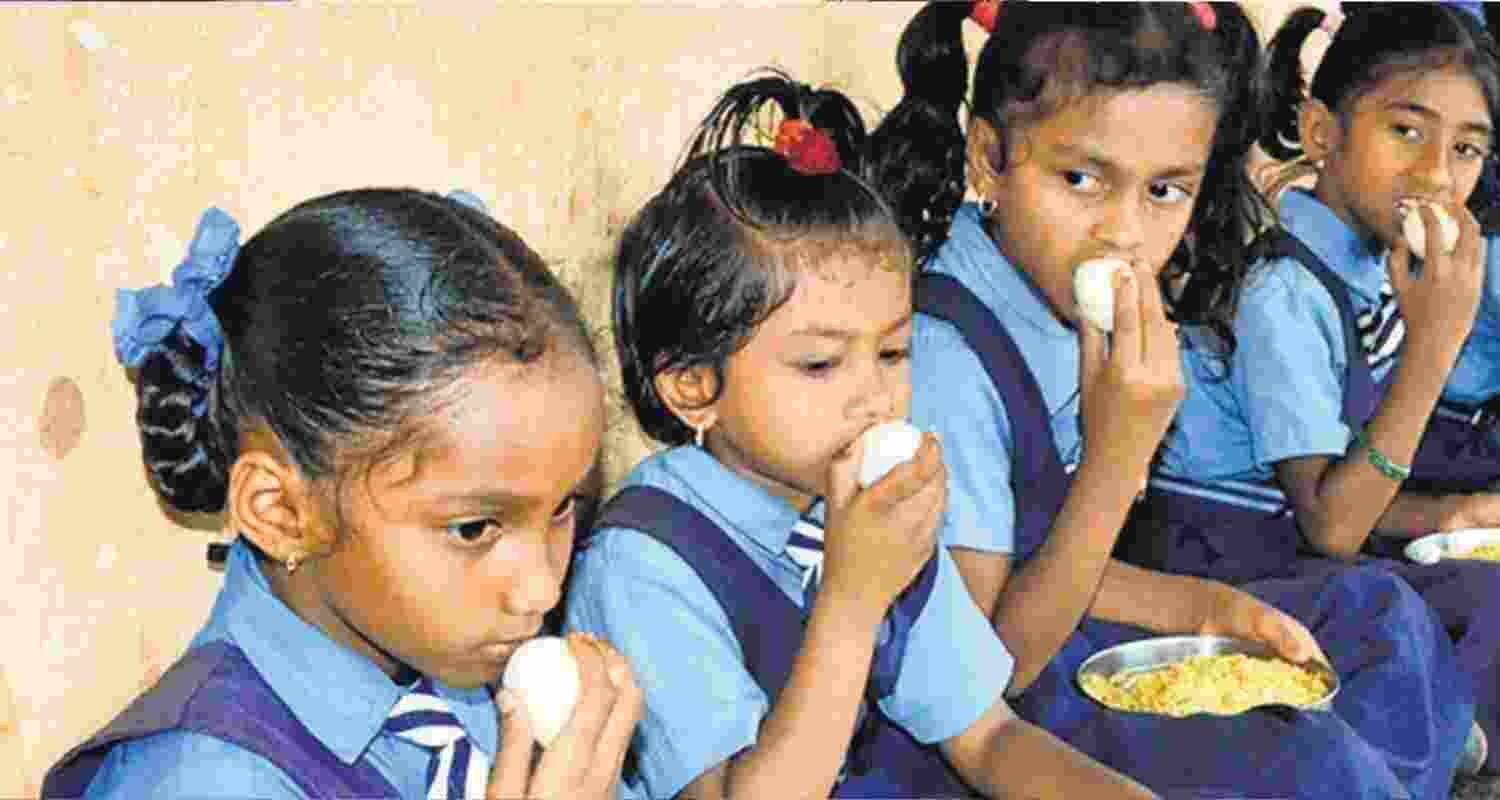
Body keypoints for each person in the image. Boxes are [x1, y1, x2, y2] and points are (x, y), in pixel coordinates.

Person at [871, 2, 1477, 797]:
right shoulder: (950, 357)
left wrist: (1210, 608)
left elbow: (1047, 556)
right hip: (988, 721)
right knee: (1305, 760)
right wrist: (1118, 458)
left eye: (1163, 190)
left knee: (1373, 607)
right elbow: (995, 667)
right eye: (1081, 179)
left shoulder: (1064, 303)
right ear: (989, 158)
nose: (1124, 231)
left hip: (1059, 613)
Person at [566, 71, 1157, 800]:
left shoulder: (866, 503)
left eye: (893, 353)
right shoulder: (644, 564)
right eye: (820, 363)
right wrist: (851, 598)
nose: (875, 395)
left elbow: (990, 739)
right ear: (693, 387)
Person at [42, 189, 642, 799]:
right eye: (474, 529)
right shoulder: (202, 783)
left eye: (565, 504)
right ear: (280, 513)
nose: (541, 589)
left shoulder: (476, 686)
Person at [1127, 2, 1500, 778]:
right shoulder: (1287, 293)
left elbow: (1353, 487)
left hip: (1299, 537)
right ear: (1323, 133)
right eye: (1407, 130)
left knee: (1476, 593)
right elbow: (1330, 524)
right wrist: (1436, 342)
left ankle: (1445, 730)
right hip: (1221, 554)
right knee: (1396, 614)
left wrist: (1455, 515)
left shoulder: (1375, 263)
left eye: (1466, 148)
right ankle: (1407, 751)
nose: (1437, 173)